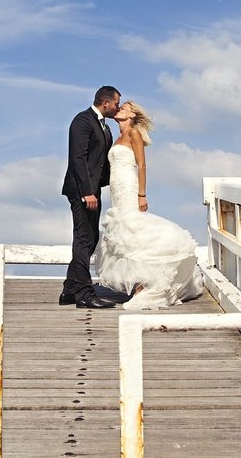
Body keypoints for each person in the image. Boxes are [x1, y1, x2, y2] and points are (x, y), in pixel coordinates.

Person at [92, 100, 206, 310]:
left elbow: (142, 165)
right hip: (116, 190)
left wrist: (142, 194)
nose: (119, 109)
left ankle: (146, 284)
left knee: (133, 227)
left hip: (129, 186)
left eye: (123, 108)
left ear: (132, 115)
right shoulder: (115, 137)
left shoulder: (133, 133)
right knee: (123, 232)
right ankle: (140, 282)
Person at [59, 85, 121, 308]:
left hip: (94, 189)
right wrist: (87, 192)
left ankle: (70, 289)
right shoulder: (82, 121)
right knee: (84, 238)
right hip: (81, 191)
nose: (117, 107)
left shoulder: (104, 126)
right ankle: (84, 293)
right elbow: (78, 158)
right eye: (116, 103)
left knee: (90, 237)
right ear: (105, 103)